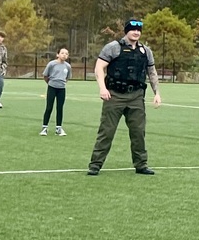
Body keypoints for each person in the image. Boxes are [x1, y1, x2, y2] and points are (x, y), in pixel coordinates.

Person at [86, 19, 162, 176]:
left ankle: (141, 164)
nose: (136, 32)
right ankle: (95, 165)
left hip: (136, 96)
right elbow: (99, 67)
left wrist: (157, 93)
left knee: (138, 132)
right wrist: (102, 88)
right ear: (126, 31)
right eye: (133, 29)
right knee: (107, 131)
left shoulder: (146, 51)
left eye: (139, 30)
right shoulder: (113, 47)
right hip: (115, 95)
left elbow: (152, 72)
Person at [40, 47, 73, 135]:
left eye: (66, 53)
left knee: (60, 108)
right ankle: (44, 128)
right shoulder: (52, 64)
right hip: (52, 88)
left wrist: (62, 84)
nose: (64, 55)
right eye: (62, 53)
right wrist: (51, 83)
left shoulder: (68, 66)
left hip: (61, 89)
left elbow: (67, 78)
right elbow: (45, 76)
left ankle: (58, 128)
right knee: (49, 107)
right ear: (57, 54)